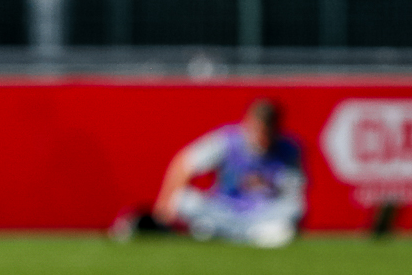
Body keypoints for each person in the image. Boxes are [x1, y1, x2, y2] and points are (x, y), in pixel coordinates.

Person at [111, 98, 306, 248]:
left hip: (261, 213)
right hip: (225, 208)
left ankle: (220, 232)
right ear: (248, 123)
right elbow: (184, 163)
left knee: (294, 209)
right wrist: (163, 208)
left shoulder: (289, 149)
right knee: (183, 200)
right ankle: (246, 235)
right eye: (258, 130)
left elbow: (293, 193)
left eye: (267, 132)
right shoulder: (229, 140)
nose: (262, 137)